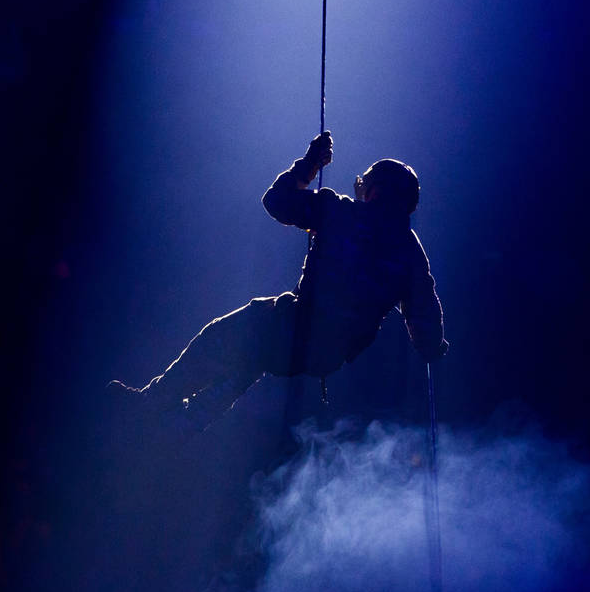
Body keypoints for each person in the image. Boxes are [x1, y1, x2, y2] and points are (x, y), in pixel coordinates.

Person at [117, 131, 447, 435]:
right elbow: (425, 315)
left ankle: (153, 404)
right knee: (252, 358)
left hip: (298, 326)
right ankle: (181, 425)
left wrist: (310, 163)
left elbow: (276, 201)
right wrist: (431, 348)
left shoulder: (341, 213)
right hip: (327, 356)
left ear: (373, 190)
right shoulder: (411, 253)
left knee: (221, 339)